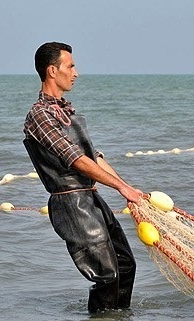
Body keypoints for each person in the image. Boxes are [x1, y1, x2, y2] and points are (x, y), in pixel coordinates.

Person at [23, 42, 144, 314]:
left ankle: (120, 316)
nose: (76, 73)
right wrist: (122, 189)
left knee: (126, 266)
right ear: (52, 71)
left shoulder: (66, 111)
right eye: (71, 66)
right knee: (107, 275)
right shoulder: (40, 116)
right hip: (71, 204)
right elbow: (76, 160)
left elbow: (93, 157)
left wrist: (128, 188)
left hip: (90, 198)